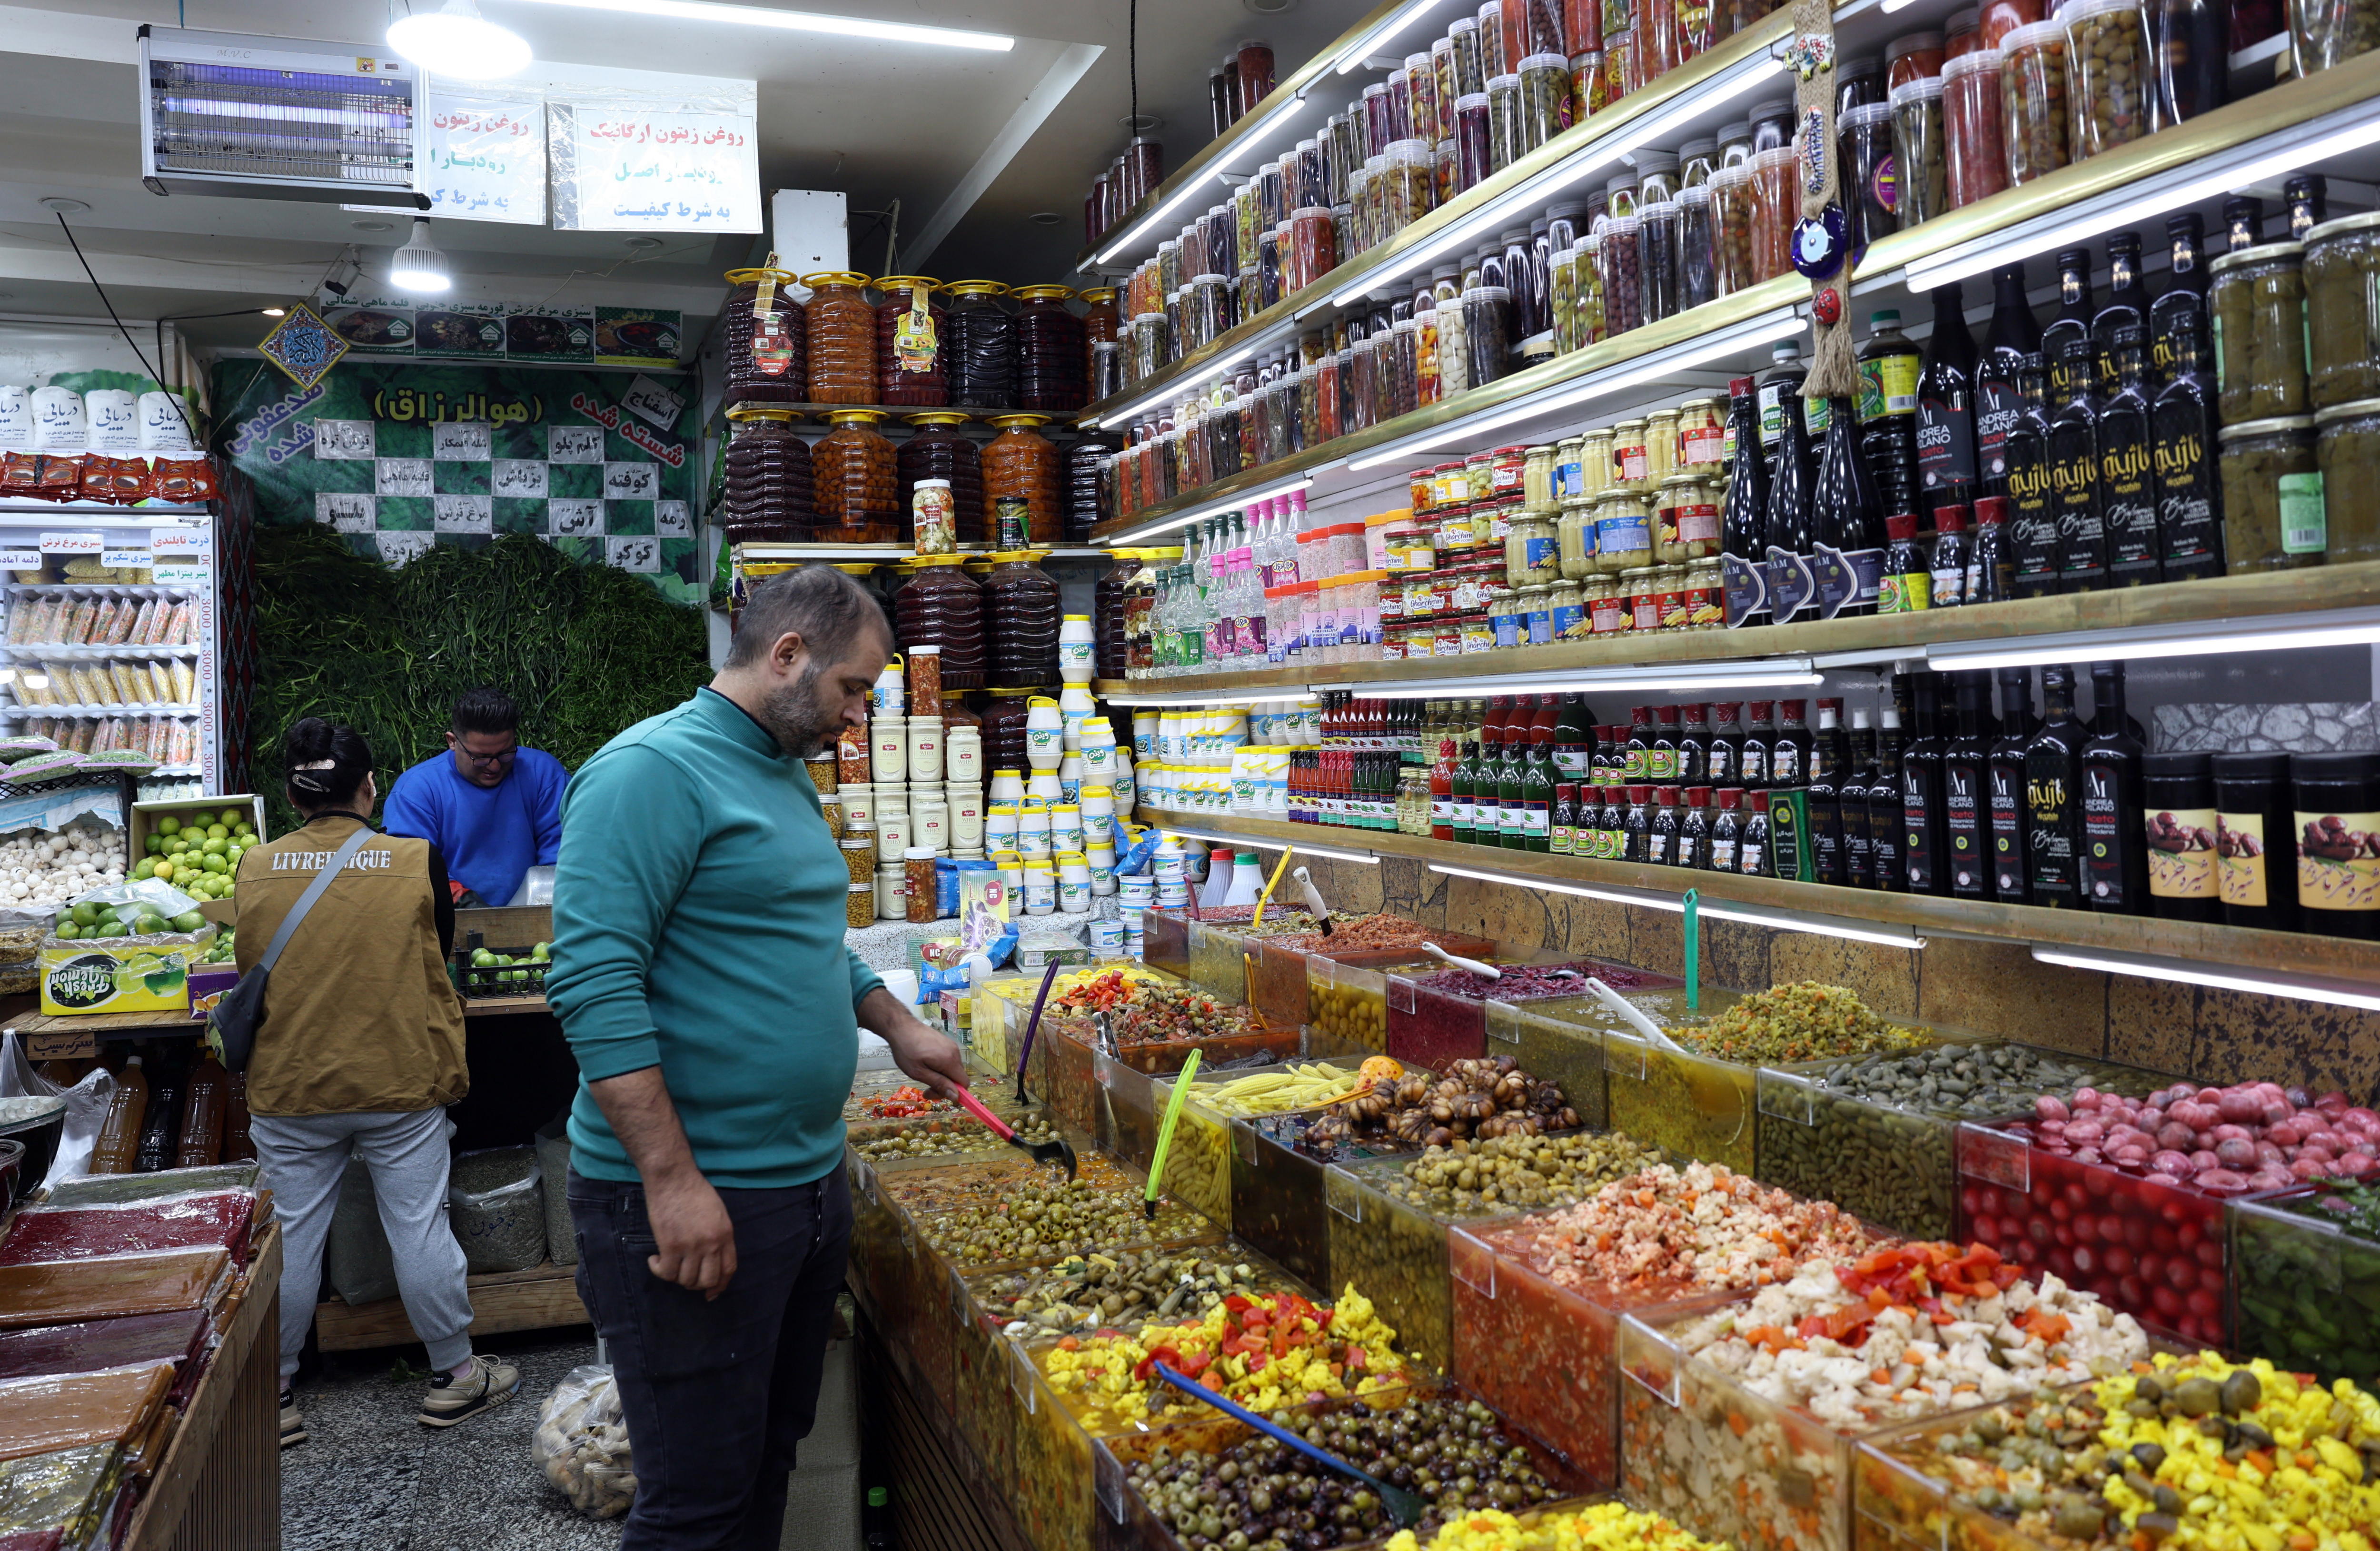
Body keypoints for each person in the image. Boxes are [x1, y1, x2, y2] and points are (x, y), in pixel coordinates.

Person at [548, 565, 966, 1550]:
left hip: (800, 1188)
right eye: (852, 689)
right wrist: (672, 1180)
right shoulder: (649, 772)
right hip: (697, 1201)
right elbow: (593, 985)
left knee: (767, 1459)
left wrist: (893, 1023)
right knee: (696, 1502)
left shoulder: (777, 767)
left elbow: (803, 942)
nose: (856, 717)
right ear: (787, 656)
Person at [233, 717, 521, 1449]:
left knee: (291, 1240)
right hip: (397, 1079)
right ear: (369, 787)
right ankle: (456, 1376)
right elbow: (440, 953)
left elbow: (250, 967)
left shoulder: (254, 866)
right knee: (418, 1226)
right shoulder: (415, 858)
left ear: (294, 797)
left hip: (291, 1083)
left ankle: (274, 1395)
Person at [384, 686, 567, 908]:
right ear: (452, 742)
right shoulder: (417, 789)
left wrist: (542, 901)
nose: (495, 766)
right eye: (480, 757)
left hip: (538, 914)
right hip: (450, 921)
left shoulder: (543, 773)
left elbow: (562, 851)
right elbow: (411, 866)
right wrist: (463, 902)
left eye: (506, 753)